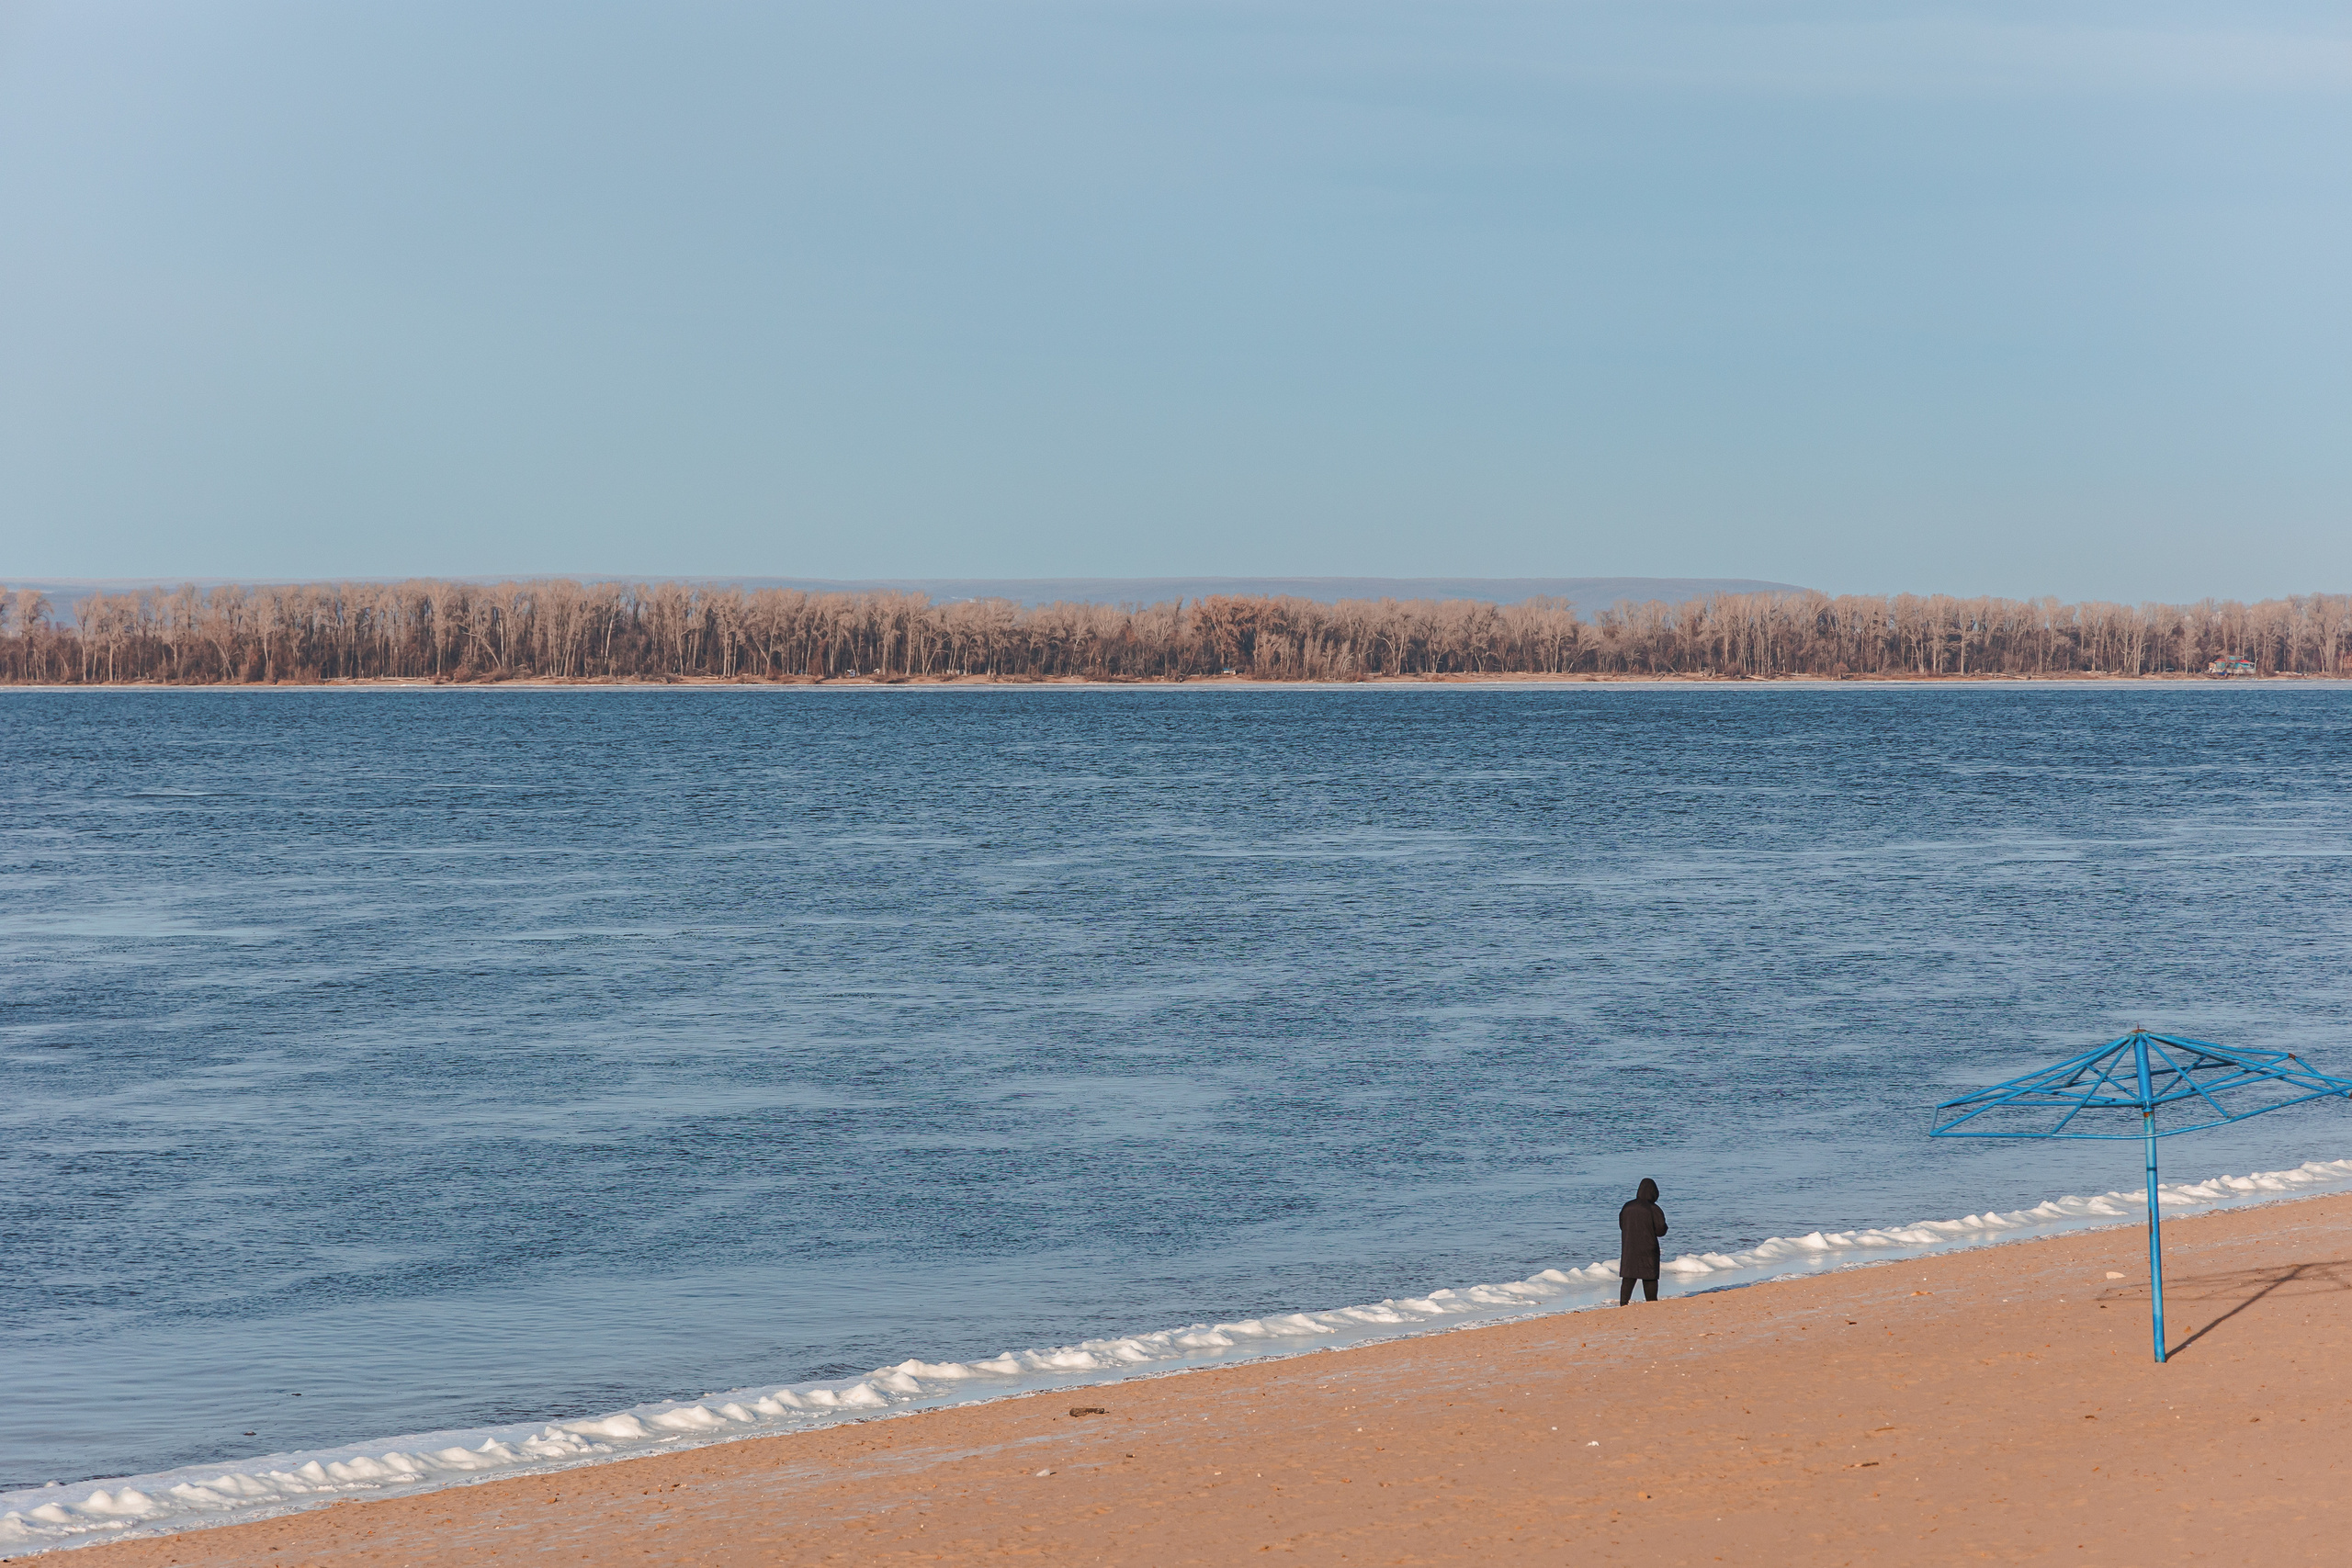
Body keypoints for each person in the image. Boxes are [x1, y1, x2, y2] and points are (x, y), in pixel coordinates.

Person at [1618, 1178, 1668, 1303]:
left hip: (1629, 1247)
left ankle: (1623, 1303)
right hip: (1648, 1248)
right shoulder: (1654, 1208)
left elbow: (1622, 1226)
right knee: (1649, 1276)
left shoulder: (1627, 1206)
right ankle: (1651, 1302)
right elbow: (1661, 1231)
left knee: (1628, 1276)